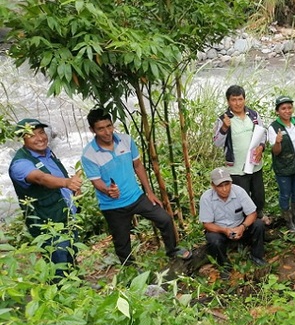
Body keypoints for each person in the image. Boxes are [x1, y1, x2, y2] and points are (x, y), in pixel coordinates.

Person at [81, 108, 191, 266]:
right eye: (101, 128)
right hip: (112, 205)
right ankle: (131, 271)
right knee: (122, 242)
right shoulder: (89, 154)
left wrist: (149, 192)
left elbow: (138, 166)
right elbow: (96, 181)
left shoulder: (125, 140)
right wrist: (108, 190)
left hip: (136, 196)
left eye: (109, 126)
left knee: (165, 219)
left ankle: (172, 250)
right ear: (93, 130)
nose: (107, 132)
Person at [9, 118, 82, 279]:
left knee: (70, 256)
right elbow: (41, 178)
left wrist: (72, 188)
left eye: (41, 132)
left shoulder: (49, 154)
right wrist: (66, 182)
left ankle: (77, 291)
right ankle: (60, 299)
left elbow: (56, 177)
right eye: (32, 135)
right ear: (22, 138)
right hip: (48, 225)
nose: (40, 138)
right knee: (58, 265)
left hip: (66, 217)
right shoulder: (20, 164)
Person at [213, 85, 269, 224]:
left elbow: (263, 133)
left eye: (240, 99)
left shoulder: (254, 115)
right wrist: (225, 128)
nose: (237, 103)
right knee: (242, 198)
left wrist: (261, 147)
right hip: (236, 168)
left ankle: (259, 218)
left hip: (255, 164)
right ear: (228, 101)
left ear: (244, 99)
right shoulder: (223, 119)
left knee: (258, 195)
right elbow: (217, 143)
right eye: (234, 100)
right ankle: (245, 224)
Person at [199, 167, 267, 272]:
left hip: (240, 227)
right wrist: (225, 230)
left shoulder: (239, 191)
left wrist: (242, 227)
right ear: (213, 185)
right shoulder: (206, 198)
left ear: (231, 182)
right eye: (220, 186)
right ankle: (224, 266)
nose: (225, 189)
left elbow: (252, 213)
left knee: (259, 225)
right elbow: (207, 224)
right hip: (220, 231)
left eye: (227, 184)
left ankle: (256, 256)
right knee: (213, 239)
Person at [268, 95, 295, 232]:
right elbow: (276, 152)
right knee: (285, 194)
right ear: (277, 111)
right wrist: (278, 141)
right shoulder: (274, 127)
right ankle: (288, 221)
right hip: (283, 167)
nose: (287, 111)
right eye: (283, 108)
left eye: (289, 107)